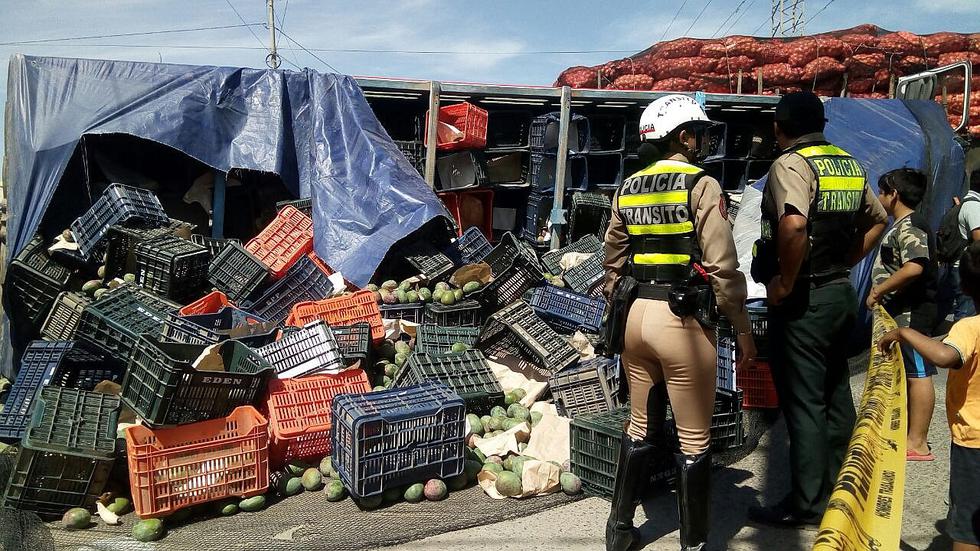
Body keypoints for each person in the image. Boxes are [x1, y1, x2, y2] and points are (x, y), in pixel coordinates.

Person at [602, 94, 757, 551]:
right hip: (682, 323)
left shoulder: (628, 186)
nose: (704, 141)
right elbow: (723, 265)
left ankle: (620, 532)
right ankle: (694, 545)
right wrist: (742, 328)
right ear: (683, 136)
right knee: (694, 440)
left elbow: (612, 257)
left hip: (635, 317)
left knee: (638, 427)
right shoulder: (701, 184)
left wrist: (619, 294)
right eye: (700, 133)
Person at [749, 91, 888, 527]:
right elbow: (879, 218)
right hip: (838, 291)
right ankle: (841, 490)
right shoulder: (847, 163)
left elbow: (793, 223)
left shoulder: (791, 164)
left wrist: (786, 282)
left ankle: (807, 503)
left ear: (779, 126)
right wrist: (845, 262)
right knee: (835, 394)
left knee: (805, 403)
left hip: (805, 299)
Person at [878, 241, 980, 551]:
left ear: (964, 286)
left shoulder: (969, 327)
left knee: (967, 526)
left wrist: (904, 333)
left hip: (974, 443)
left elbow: (944, 356)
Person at [866, 168, 938, 461]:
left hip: (914, 312)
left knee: (919, 372)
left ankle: (918, 442)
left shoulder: (910, 227)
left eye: (882, 191)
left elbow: (914, 267)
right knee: (908, 371)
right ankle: (907, 432)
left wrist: (879, 290)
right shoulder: (901, 225)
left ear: (893, 194)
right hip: (901, 312)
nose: (880, 196)